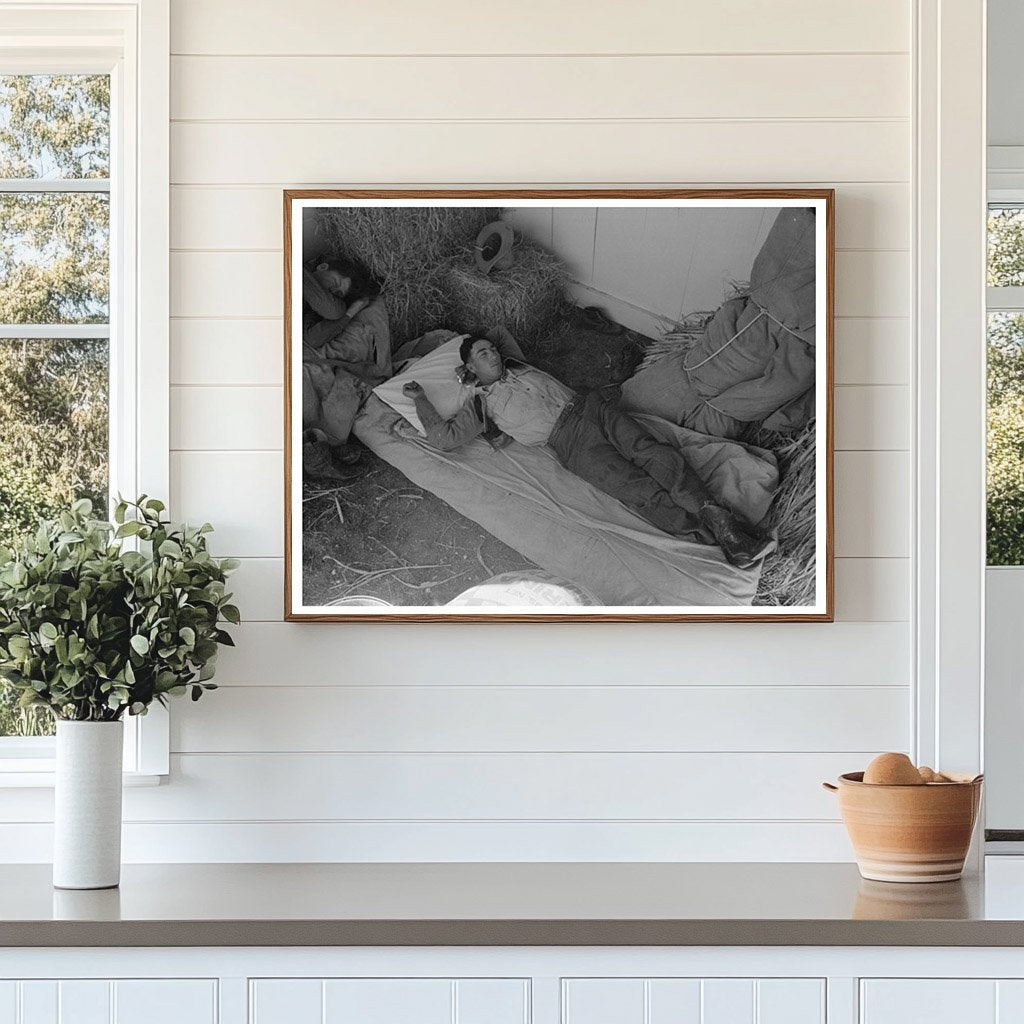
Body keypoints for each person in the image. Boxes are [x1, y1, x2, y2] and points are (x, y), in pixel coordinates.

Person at [401, 328, 775, 569]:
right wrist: (421, 398)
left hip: (591, 407)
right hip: (570, 442)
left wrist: (480, 352)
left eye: (493, 350)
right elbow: (443, 439)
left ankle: (722, 521)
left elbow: (500, 335)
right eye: (483, 355)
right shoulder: (481, 406)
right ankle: (714, 538)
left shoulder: (519, 366)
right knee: (635, 488)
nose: (494, 355)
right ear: (469, 367)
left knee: (655, 452)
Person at [302, 256, 388, 481]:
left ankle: (317, 449)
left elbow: (312, 337)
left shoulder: (310, 308)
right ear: (321, 266)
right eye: (335, 283)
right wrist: (346, 312)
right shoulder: (297, 270)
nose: (333, 292)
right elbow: (332, 310)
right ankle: (318, 450)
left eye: (338, 293)